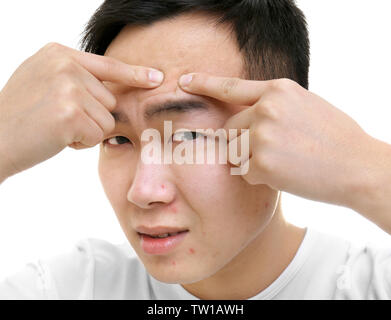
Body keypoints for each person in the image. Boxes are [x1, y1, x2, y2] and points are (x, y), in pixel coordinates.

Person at [0, 0, 390, 300]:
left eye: (188, 136)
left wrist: (365, 168)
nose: (143, 191)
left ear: (289, 127)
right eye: (119, 139)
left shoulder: (370, 284)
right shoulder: (62, 289)